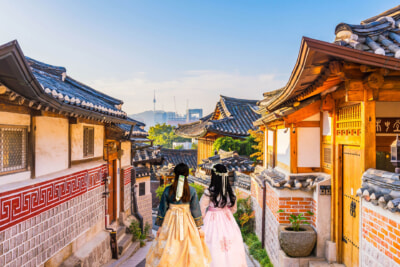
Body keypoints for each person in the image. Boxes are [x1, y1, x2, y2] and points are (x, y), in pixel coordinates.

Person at [146, 163, 211, 267]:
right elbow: (195, 209)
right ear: (187, 175)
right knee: (187, 245)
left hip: (170, 219)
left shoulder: (168, 190)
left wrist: (160, 226)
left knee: (170, 244)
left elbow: (162, 208)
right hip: (187, 220)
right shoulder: (192, 190)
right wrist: (198, 227)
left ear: (175, 174)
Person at [199, 164, 247, 267]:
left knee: (212, 246)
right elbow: (234, 209)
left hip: (212, 220)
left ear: (214, 176)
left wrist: (203, 218)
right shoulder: (230, 192)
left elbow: (201, 209)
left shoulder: (209, 192)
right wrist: (225, 212)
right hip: (228, 220)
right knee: (231, 248)